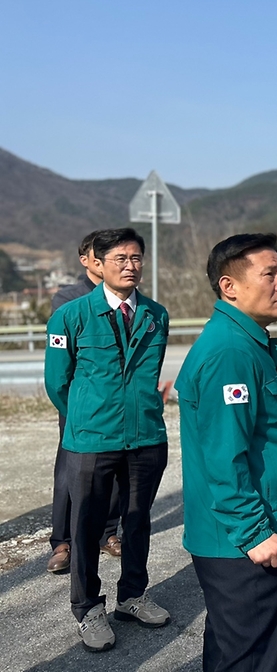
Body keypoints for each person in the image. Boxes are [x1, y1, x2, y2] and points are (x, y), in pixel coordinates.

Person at [176, 233, 277, 672]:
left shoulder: (247, 342)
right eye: (269, 274)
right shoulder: (230, 352)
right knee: (248, 659)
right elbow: (223, 460)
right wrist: (255, 533)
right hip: (245, 544)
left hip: (257, 534)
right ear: (229, 286)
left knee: (239, 650)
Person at [44, 227, 170, 652]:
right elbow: (57, 383)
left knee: (137, 521)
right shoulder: (70, 315)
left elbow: (150, 376)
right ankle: (87, 608)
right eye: (120, 258)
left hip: (146, 437)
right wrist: (86, 417)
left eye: (136, 258)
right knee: (86, 526)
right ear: (97, 262)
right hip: (91, 440)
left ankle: (132, 595)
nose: (130, 266)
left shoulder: (157, 314)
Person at [47, 230, 124, 575]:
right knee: (70, 469)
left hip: (118, 404)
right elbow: (62, 363)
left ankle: (107, 532)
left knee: (117, 470)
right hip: (81, 402)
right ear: (87, 260)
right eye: (102, 255)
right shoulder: (68, 299)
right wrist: (71, 406)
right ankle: (62, 541)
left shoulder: (126, 296)